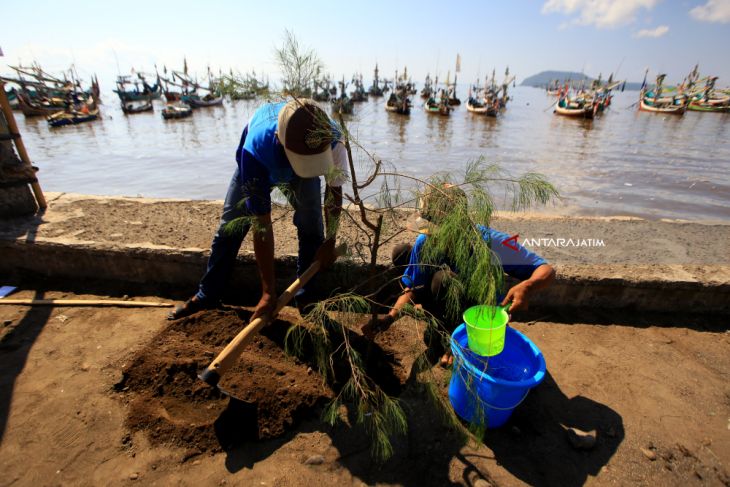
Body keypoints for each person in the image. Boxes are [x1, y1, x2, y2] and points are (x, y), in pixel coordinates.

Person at [169, 99, 349, 321]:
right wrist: (268, 292)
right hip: (262, 161)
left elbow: (334, 194)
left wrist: (330, 241)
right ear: (279, 142)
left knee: (311, 223)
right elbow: (261, 224)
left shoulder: (331, 140)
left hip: (302, 160)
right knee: (231, 226)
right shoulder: (255, 149)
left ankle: (306, 297)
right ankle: (208, 294)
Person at [363, 184, 555, 365]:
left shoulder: (490, 243)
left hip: (480, 312)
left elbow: (546, 270)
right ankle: (442, 324)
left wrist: (528, 286)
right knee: (404, 253)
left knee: (443, 279)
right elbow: (411, 288)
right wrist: (390, 317)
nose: (432, 236)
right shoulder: (425, 242)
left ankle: (458, 337)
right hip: (441, 297)